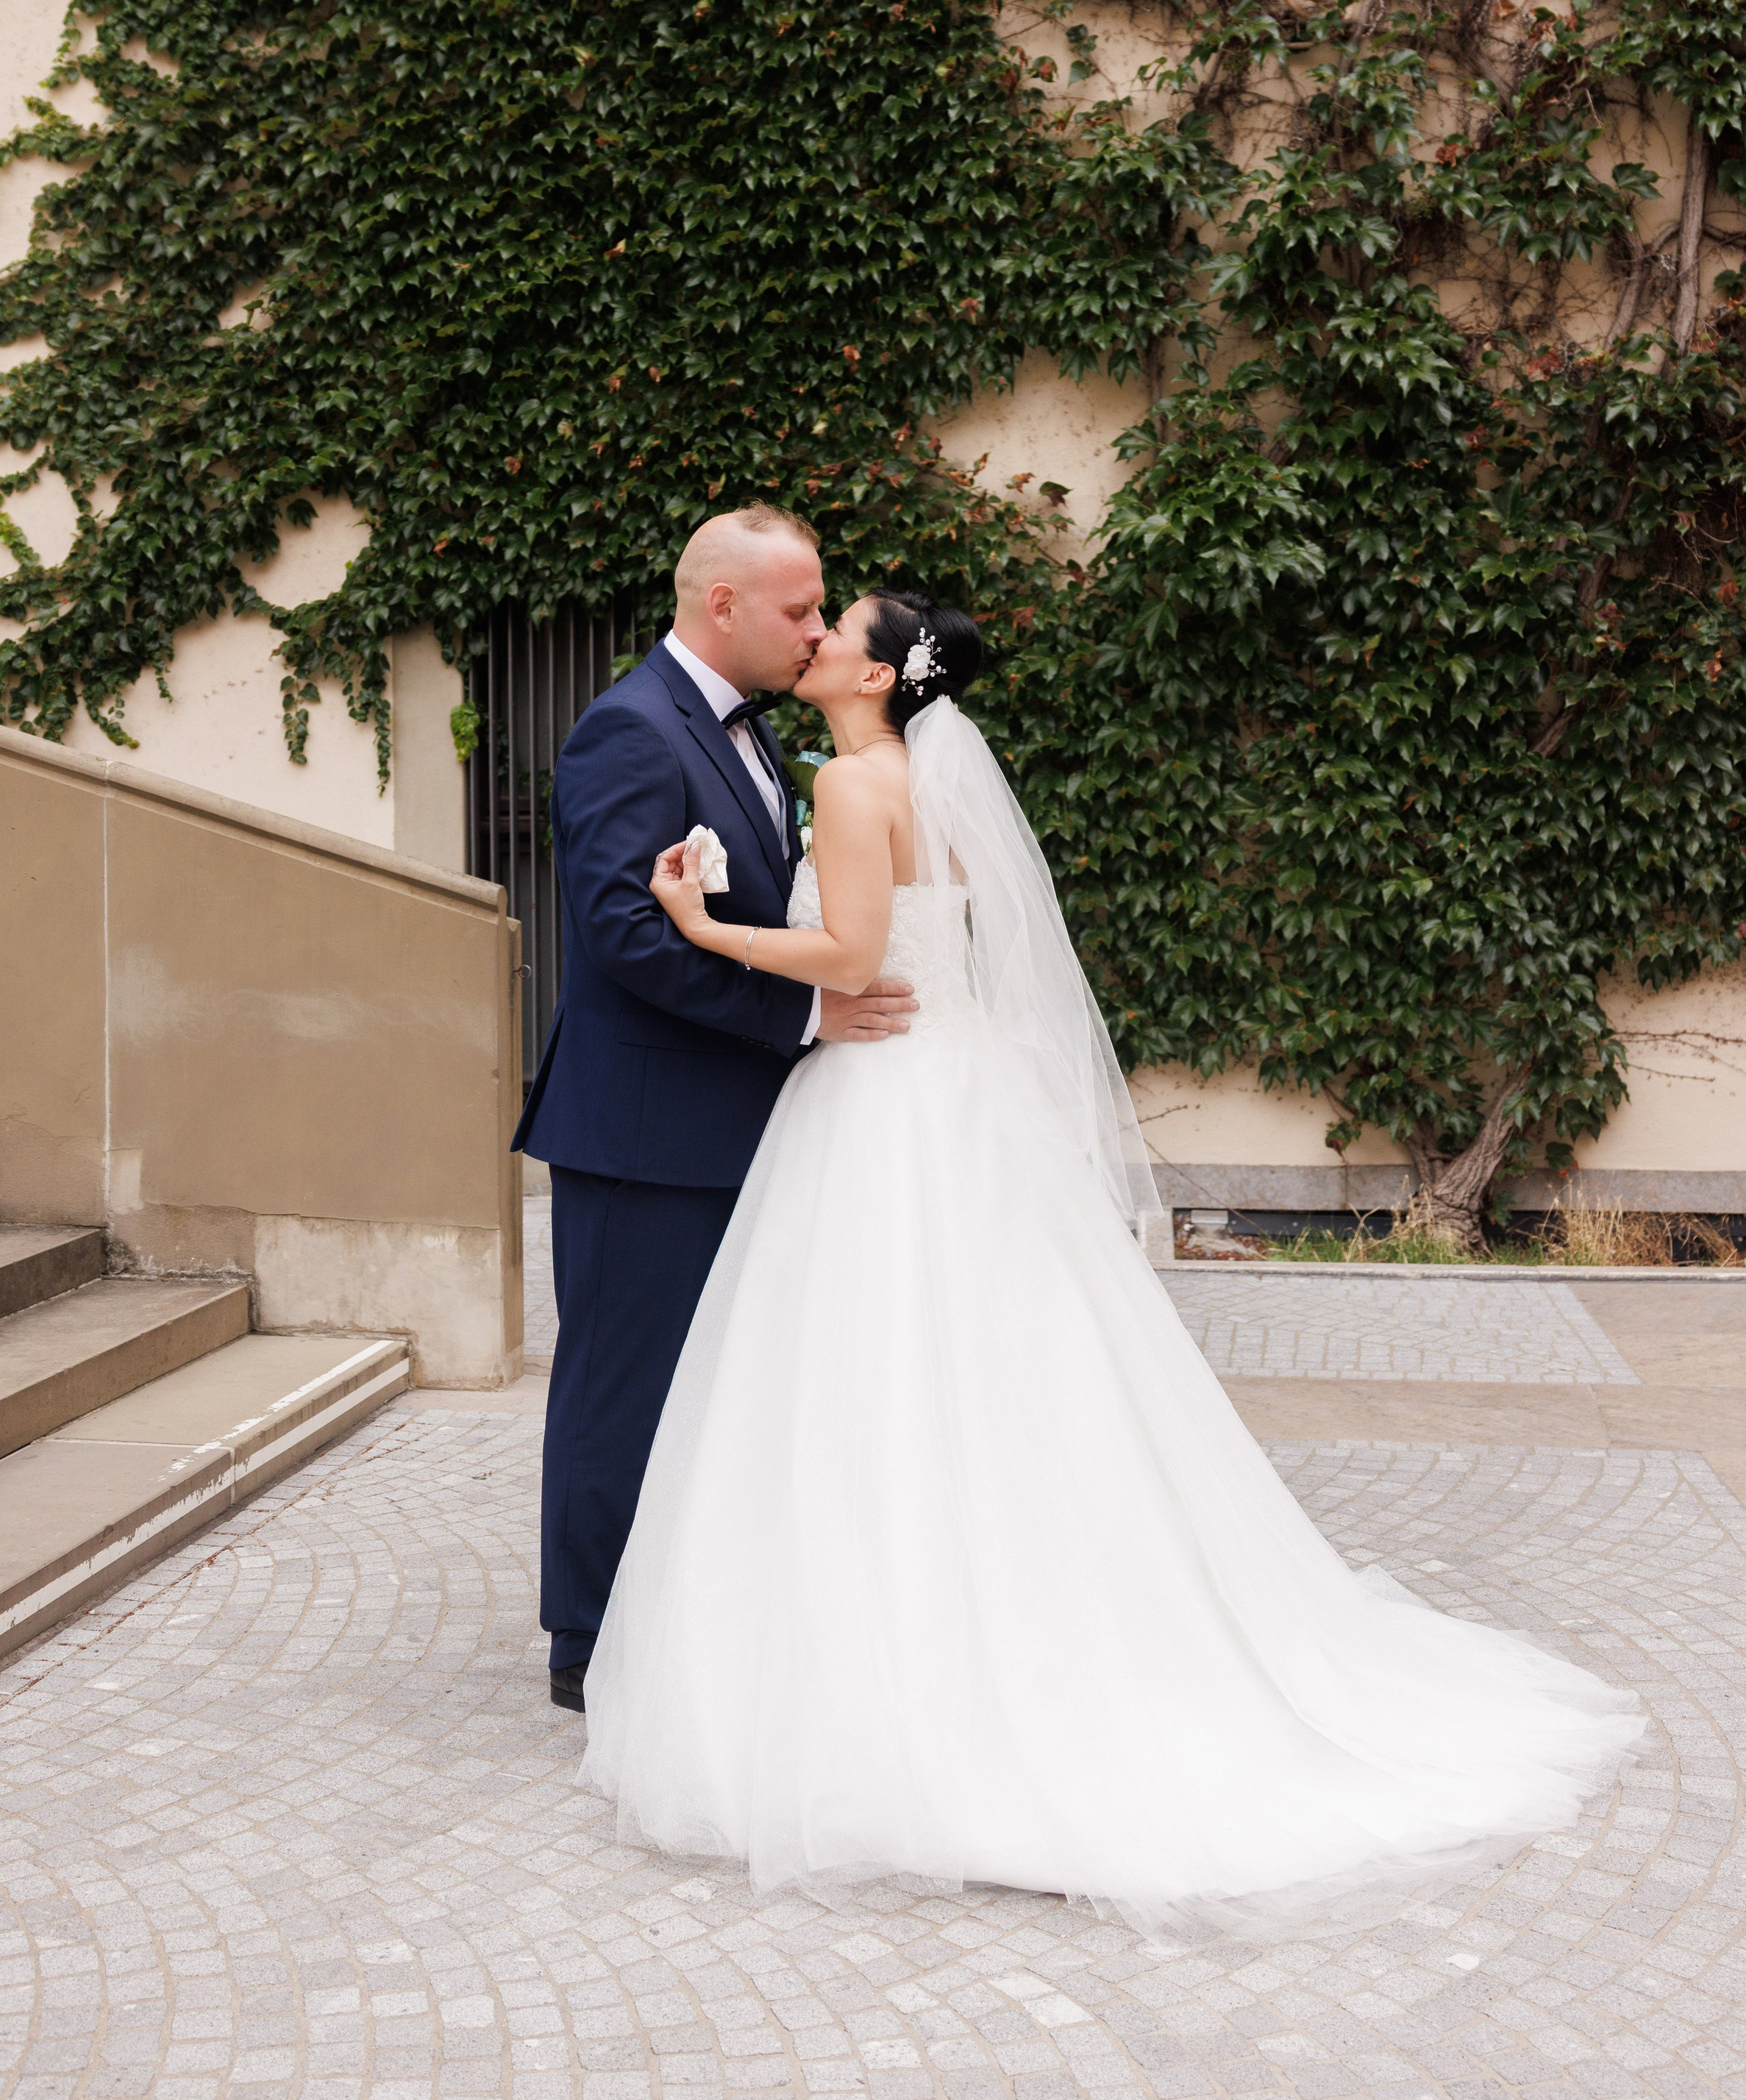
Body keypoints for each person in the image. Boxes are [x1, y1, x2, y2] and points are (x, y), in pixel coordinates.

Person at [577, 585, 1645, 1934]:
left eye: (836, 625)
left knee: (869, 1368)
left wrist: (703, 925)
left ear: (876, 673)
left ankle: (893, 1673)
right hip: (955, 1091)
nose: (817, 638)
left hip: (881, 1099)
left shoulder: (854, 786)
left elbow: (851, 954)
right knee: (993, 1371)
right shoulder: (916, 776)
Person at [512, 508, 919, 1714]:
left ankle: (682, 1615)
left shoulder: (762, 745)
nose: (812, 629)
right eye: (799, 609)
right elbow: (627, 938)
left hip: (738, 1130)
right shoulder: (628, 732)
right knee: (623, 1386)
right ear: (721, 605)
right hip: (644, 1135)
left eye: (821, 611)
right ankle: (586, 1642)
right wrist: (804, 1021)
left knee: (718, 1389)